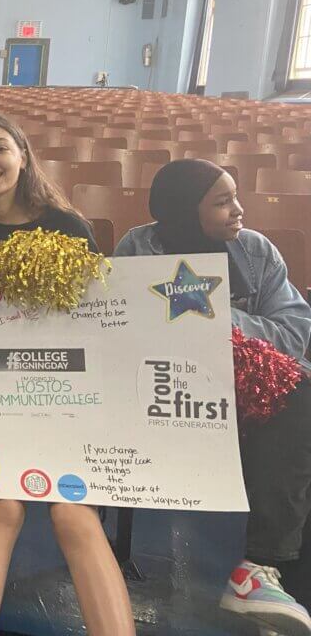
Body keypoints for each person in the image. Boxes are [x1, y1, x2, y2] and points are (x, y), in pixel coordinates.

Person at [0, 113, 136, 636]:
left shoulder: (67, 227)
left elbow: (99, 324)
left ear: (22, 156)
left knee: (73, 513)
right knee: (1, 507)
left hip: (67, 399)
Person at [116, 159, 311, 636]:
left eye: (236, 196)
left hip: (246, 392)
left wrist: (212, 317)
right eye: (223, 202)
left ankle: (265, 573)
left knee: (302, 394)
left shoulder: (255, 251)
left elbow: (294, 332)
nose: (239, 210)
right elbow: (115, 327)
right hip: (159, 386)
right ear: (185, 209)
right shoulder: (138, 248)